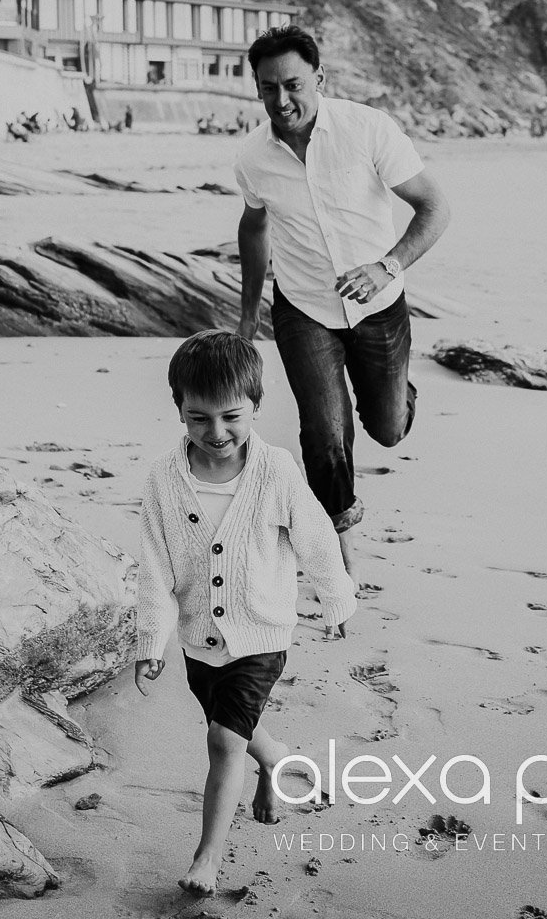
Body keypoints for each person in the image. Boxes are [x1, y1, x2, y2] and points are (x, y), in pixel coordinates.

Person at [134, 330, 358, 897]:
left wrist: (335, 599)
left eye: (231, 416)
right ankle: (275, 757)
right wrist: (149, 642)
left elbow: (314, 538)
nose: (216, 433)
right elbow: (155, 569)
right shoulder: (165, 480)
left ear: (256, 405)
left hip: (261, 633)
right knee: (233, 728)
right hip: (197, 638)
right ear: (178, 410)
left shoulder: (275, 471)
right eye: (198, 418)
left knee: (221, 741)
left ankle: (207, 858)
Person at [233, 25, 450, 584]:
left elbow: (434, 209)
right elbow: (254, 226)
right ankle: (340, 549)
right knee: (324, 431)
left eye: (293, 85)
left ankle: (398, 394)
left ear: (320, 78)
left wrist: (387, 266)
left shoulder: (368, 129)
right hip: (303, 308)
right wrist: (246, 312)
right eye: (267, 88)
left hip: (380, 307)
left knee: (388, 428)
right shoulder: (253, 157)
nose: (281, 101)